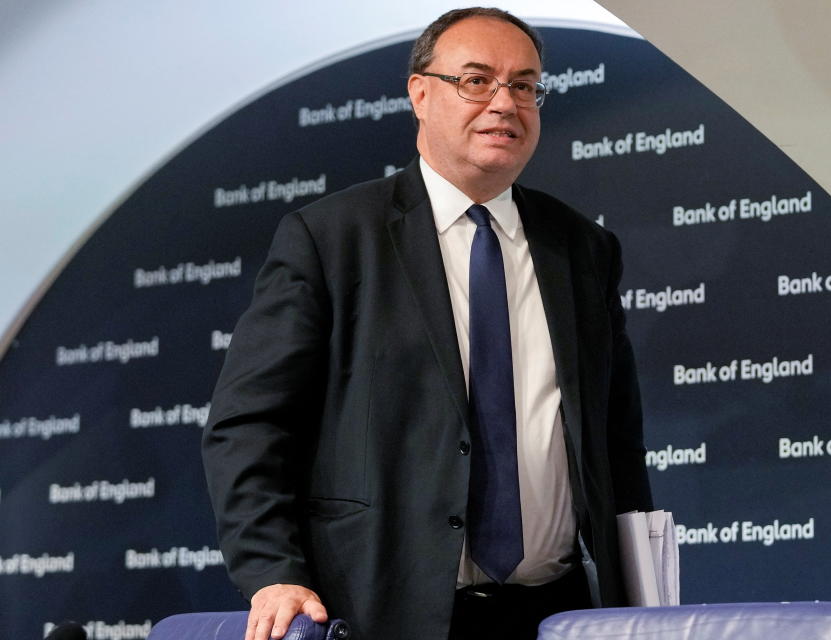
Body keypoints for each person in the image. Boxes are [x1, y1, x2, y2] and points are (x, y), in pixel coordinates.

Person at [201, 8, 653, 640]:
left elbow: (615, 437)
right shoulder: (331, 238)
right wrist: (272, 571)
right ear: (420, 93)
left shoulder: (582, 248)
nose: (504, 103)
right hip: (385, 610)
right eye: (476, 80)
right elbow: (249, 423)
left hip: (560, 613)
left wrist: (640, 599)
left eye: (524, 85)